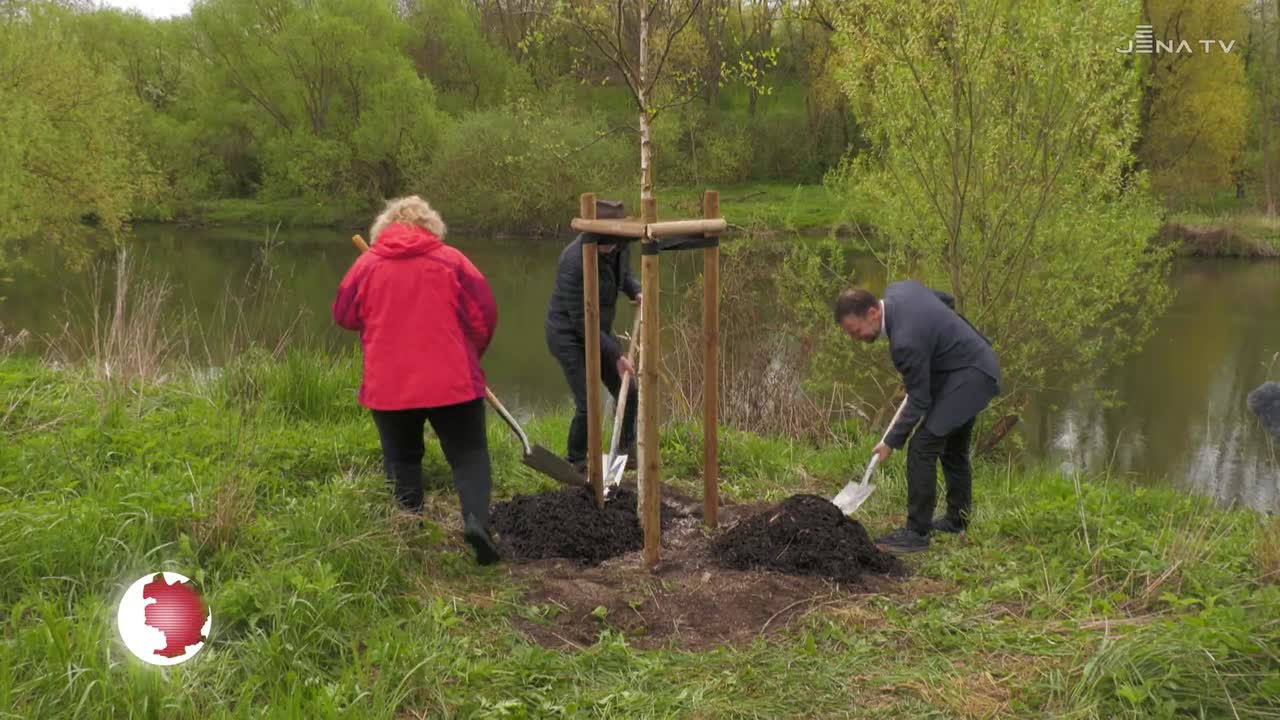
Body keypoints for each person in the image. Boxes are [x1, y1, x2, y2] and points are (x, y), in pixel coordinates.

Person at [332, 195, 501, 565]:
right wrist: (471, 356)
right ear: (432, 227)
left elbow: (343, 314)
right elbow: (484, 316)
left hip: (388, 386)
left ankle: (410, 533)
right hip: (453, 381)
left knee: (402, 458)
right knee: (469, 456)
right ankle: (476, 523)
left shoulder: (367, 266)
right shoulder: (453, 261)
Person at [834, 281, 1001, 554]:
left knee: (922, 446)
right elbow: (945, 300)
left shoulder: (905, 343)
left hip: (972, 376)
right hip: (972, 364)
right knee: (952, 448)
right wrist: (939, 341)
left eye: (857, 331)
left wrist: (890, 442)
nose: (857, 339)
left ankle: (916, 532)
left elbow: (919, 399)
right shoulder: (900, 290)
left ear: (874, 312)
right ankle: (957, 520)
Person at [545, 200, 641, 474]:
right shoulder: (573, 262)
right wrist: (617, 355)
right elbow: (581, 324)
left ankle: (624, 451)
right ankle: (575, 461)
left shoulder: (620, 247)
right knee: (588, 403)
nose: (611, 248)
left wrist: (636, 291)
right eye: (606, 243)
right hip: (569, 336)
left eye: (615, 242)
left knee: (628, 389)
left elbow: (625, 276)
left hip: (598, 330)